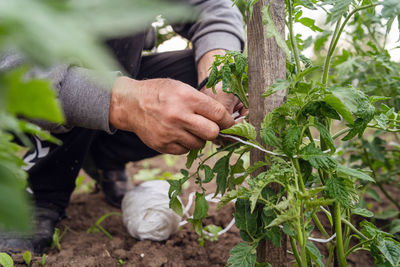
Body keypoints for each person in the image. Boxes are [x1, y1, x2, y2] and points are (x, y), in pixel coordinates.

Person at [0, 0, 245, 254]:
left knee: (196, 79)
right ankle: (41, 187)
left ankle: (102, 154)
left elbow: (209, 5)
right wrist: (123, 103)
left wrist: (218, 73)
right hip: (22, 85)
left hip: (106, 72)